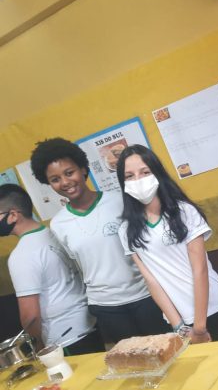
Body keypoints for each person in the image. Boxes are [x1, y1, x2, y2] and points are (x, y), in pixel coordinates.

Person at [30, 138, 172, 343]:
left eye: (69, 173)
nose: (65, 182)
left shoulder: (120, 200)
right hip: (106, 307)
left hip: (146, 295)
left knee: (167, 349)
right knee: (131, 359)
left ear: (83, 169)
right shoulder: (58, 224)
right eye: (55, 179)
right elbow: (79, 267)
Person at [116, 145, 218, 343]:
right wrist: (180, 327)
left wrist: (199, 327)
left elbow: (199, 269)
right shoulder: (126, 230)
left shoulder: (184, 211)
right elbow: (151, 281)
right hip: (180, 320)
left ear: (157, 173)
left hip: (213, 307)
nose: (138, 180)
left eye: (145, 172)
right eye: (129, 176)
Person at [0, 184, 104, 355]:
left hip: (64, 337)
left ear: (13, 215)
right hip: (89, 322)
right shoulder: (53, 232)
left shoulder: (21, 256)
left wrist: (38, 344)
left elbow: (30, 316)